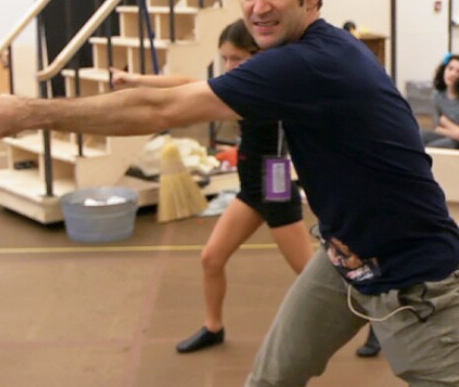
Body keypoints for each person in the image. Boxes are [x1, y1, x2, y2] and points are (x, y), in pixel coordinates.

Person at [0, 0, 459, 385]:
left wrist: (30, 111)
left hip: (416, 279)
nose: (258, 8)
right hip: (345, 258)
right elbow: (177, 94)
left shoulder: (308, 62)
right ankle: (219, 323)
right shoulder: (290, 56)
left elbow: (160, 113)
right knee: (268, 378)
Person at [110, 20, 314, 353]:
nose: (231, 67)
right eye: (226, 59)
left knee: (311, 277)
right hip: (251, 187)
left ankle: (374, 323)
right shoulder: (238, 86)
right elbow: (188, 84)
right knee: (211, 258)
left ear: (259, 54)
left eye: (238, 59)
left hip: (275, 187)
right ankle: (213, 327)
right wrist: (135, 79)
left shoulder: (272, 87)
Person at [420, 53, 459, 149]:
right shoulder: (436, 95)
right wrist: (454, 131)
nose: (453, 74)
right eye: (450, 68)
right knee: (419, 136)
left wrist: (444, 121)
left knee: (433, 148)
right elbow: (434, 126)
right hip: (447, 135)